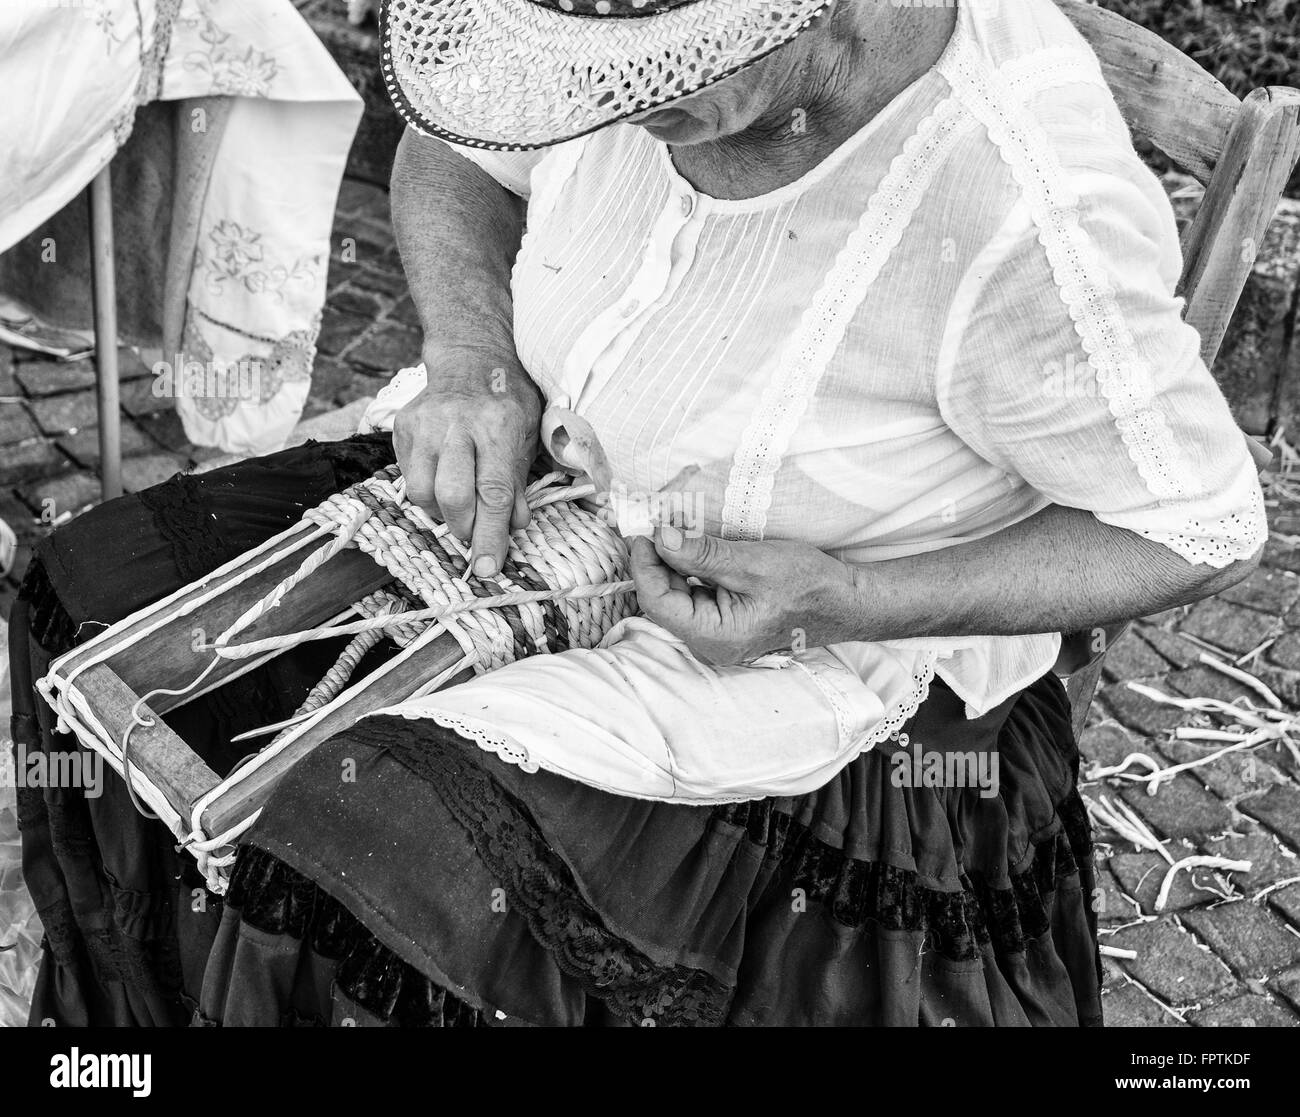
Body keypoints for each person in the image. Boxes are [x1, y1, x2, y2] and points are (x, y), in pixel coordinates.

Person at [13, 0, 1266, 1026]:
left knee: (364, 853)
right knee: (82, 591)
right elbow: (452, 147)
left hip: (813, 658)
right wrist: (471, 363)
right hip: (559, 490)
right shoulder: (603, 39)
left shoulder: (1023, 204)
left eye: (657, 76)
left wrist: (850, 600)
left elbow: (1197, 525)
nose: (606, 103)